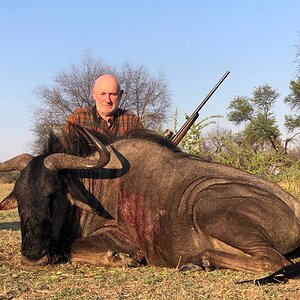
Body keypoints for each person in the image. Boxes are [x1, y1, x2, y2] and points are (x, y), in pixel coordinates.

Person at [63, 74, 143, 137]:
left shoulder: (132, 121)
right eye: (102, 94)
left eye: (113, 94)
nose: (107, 100)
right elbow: (64, 154)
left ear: (120, 95)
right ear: (94, 94)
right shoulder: (77, 119)